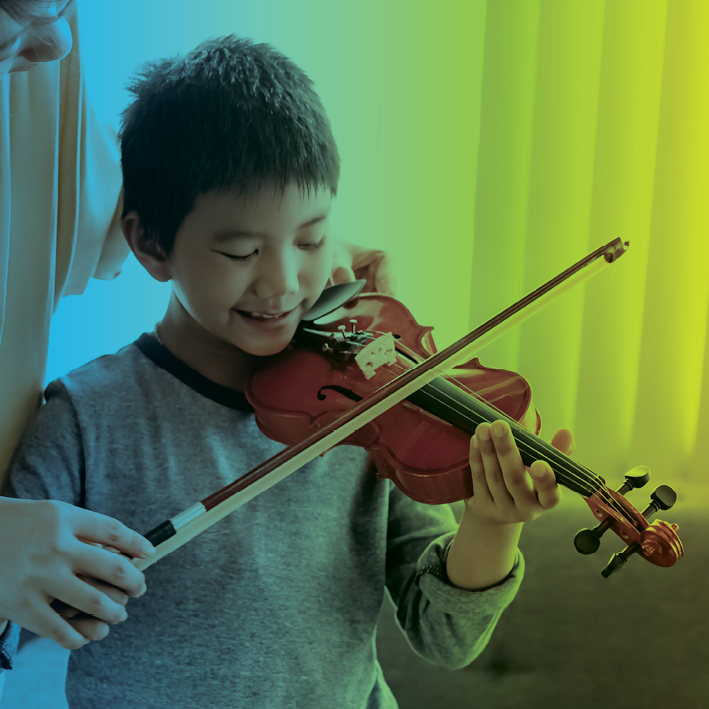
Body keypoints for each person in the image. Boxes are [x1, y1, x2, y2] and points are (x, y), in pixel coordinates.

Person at [1, 36, 573, 708]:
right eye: (241, 249)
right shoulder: (84, 416)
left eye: (309, 238)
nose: (282, 282)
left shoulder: (370, 405)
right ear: (151, 244)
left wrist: (490, 523)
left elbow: (444, 634)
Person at [0, 0, 396, 672]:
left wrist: (286, 253)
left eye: (64, 6)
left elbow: (112, 211)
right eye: (12, 12)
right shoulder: (84, 419)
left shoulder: (39, 57)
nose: (55, 47)